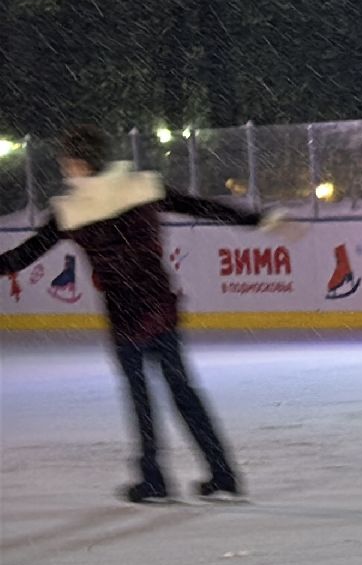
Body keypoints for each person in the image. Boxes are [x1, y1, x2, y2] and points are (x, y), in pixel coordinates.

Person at [0, 125, 285, 502]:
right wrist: (256, 219)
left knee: (141, 398)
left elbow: (23, 257)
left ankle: (153, 478)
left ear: (79, 164)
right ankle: (222, 472)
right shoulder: (141, 189)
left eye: (67, 162)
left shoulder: (72, 211)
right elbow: (202, 207)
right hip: (160, 306)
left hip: (125, 316)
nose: (65, 169)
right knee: (183, 392)